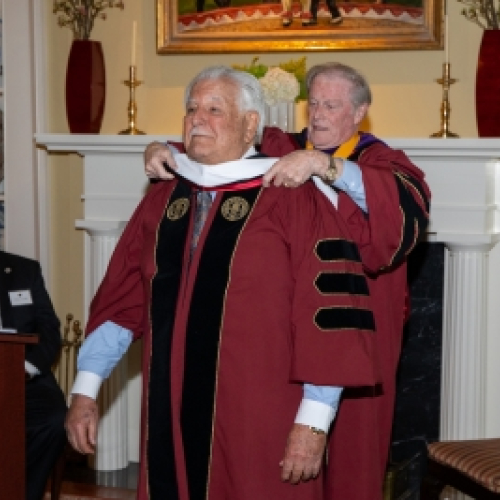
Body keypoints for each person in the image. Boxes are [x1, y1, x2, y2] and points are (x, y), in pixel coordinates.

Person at [65, 65, 381, 500]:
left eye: (215, 109)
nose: (197, 118)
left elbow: (328, 318)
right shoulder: (165, 196)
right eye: (192, 108)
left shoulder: (294, 196)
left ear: (251, 123)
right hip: (169, 415)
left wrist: (313, 422)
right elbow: (125, 299)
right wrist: (86, 388)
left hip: (262, 416)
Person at [143, 62, 431, 500]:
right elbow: (222, 142)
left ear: (360, 113)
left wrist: (324, 165)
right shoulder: (283, 147)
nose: (317, 115)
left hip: (357, 323)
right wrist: (161, 147)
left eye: (331, 105)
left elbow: (400, 220)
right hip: (292, 333)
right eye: (313, 102)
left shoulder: (382, 162)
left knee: (352, 459)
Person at [0, 250, 67, 500]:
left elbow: (49, 329)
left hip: (25, 378)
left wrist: (26, 370)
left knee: (54, 420)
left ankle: (21, 493)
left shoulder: (24, 270)